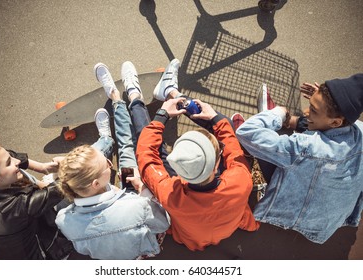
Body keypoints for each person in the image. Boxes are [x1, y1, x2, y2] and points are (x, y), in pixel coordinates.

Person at [120, 59, 259, 251]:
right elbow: (232, 148)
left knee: (155, 150)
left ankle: (135, 96)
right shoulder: (241, 180)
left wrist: (161, 116)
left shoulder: (170, 193)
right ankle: (169, 93)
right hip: (221, 230)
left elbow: (146, 155)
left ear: (177, 171)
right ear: (218, 161)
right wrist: (216, 119)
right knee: (222, 126)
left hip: (188, 236)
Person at [54, 63, 170, 260]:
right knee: (127, 148)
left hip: (118, 200)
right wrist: (143, 192)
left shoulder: (64, 220)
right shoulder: (136, 207)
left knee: (126, 150)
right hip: (132, 201)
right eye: (106, 164)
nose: (110, 164)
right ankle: (117, 100)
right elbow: (164, 222)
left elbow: (83, 249)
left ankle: (114, 106)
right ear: (96, 183)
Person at [235, 73, 363, 244]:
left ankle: (273, 119)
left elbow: (246, 132)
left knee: (266, 149)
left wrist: (278, 114)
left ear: (336, 122)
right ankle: (288, 122)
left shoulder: (308, 148)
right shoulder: (358, 129)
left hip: (301, 218)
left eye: (314, 110)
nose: (306, 110)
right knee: (310, 132)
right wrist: (324, 101)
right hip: (332, 220)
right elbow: (324, 128)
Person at [0, 143, 73, 259]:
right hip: (47, 256)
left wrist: (41, 167)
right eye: (9, 162)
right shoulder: (17, 206)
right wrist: (69, 166)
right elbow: (59, 189)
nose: (16, 161)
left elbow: (9, 155)